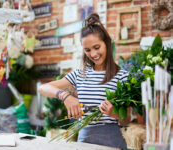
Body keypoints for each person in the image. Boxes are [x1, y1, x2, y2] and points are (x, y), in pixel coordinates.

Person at [38, 13, 130, 149]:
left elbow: (128, 119)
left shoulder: (122, 76)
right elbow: (43, 88)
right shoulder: (79, 75)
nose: (93, 54)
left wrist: (113, 113)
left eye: (97, 47)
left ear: (107, 44)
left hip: (113, 143)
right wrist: (65, 96)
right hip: (85, 141)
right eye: (87, 50)